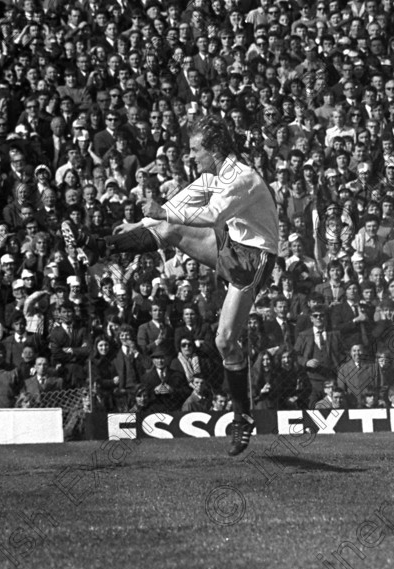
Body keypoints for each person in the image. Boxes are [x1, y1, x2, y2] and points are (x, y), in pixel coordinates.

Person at [71, 115, 279, 455]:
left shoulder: (242, 178)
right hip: (230, 245)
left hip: (253, 259)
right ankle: (101, 245)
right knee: (170, 230)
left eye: (196, 150)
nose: (192, 156)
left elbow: (212, 216)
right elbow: (175, 207)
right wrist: (136, 224)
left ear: (213, 149)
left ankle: (242, 418)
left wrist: (162, 214)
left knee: (225, 341)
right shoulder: (214, 174)